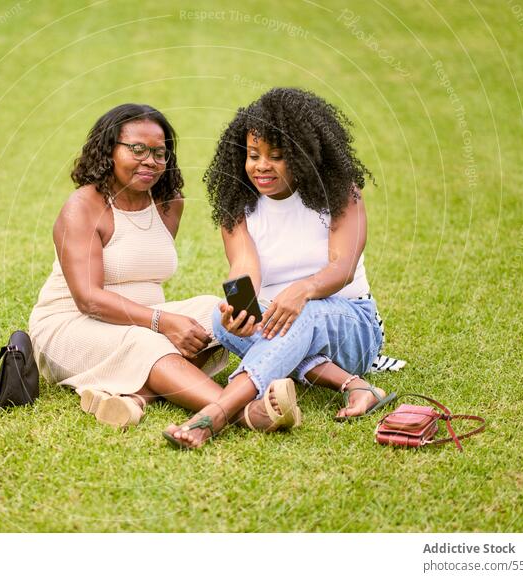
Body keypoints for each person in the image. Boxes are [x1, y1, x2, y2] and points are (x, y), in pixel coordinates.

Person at [29, 103, 298, 443]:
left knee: (212, 311)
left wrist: (177, 321)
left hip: (139, 323)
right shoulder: (82, 207)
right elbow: (87, 299)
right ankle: (242, 411)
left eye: (159, 153)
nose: (150, 161)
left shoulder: (169, 202)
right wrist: (162, 323)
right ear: (108, 150)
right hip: (69, 328)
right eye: (137, 149)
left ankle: (135, 397)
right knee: (145, 342)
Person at [204, 87, 405, 421]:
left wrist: (304, 289)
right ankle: (355, 386)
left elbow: (344, 266)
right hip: (274, 322)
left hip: (351, 326)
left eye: (276, 156)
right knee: (217, 318)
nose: (261, 166)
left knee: (305, 313)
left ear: (303, 154)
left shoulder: (340, 193)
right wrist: (238, 310)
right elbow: (242, 264)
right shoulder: (237, 204)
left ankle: (218, 412)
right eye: (253, 155)